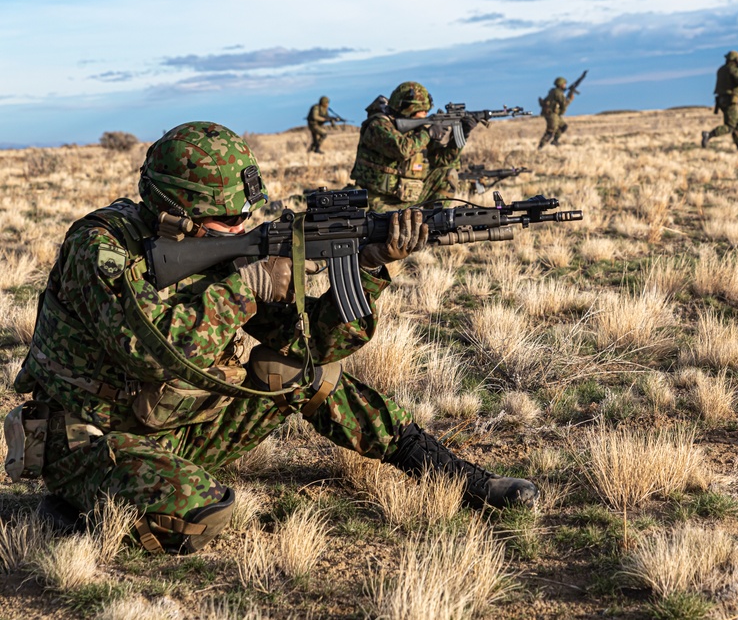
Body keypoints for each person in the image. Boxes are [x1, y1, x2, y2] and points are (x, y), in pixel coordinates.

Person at [4, 121, 537, 555]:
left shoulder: (223, 245)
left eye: (246, 215)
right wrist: (246, 285)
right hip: (88, 439)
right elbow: (152, 353)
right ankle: (71, 510)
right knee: (202, 515)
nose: (243, 226)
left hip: (175, 426)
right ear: (176, 212)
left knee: (301, 374)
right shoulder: (101, 248)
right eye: (229, 218)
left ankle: (449, 472)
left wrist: (372, 267)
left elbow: (308, 348)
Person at [349, 82, 476, 211]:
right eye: (422, 111)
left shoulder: (417, 130)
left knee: (447, 174)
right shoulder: (377, 126)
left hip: (408, 199)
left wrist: (461, 136)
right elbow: (402, 150)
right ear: (408, 109)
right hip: (378, 202)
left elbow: (441, 161)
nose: (425, 114)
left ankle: (434, 222)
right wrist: (428, 133)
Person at [702, 51, 738, 152]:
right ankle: (709, 135)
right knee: (730, 126)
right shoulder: (733, 70)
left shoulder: (721, 70)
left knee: (737, 122)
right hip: (730, 102)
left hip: (721, 101)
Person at [538, 77, 574, 149]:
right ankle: (540, 148)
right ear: (560, 84)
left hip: (553, 114)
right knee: (550, 132)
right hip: (552, 114)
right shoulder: (558, 93)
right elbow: (563, 104)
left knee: (563, 126)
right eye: (564, 84)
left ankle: (555, 141)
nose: (565, 85)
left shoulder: (554, 91)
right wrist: (570, 99)